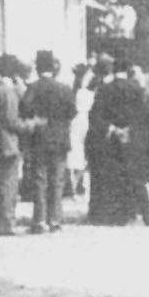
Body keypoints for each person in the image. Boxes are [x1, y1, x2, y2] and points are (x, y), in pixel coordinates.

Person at [0, 53, 45, 236]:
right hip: (8, 144)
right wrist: (32, 124)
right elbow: (12, 122)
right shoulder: (8, 93)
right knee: (9, 185)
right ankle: (6, 223)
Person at [20, 50, 77, 233]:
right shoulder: (65, 89)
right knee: (57, 180)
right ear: (53, 68)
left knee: (39, 179)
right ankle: (55, 219)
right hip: (60, 140)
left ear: (37, 68)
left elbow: (24, 111)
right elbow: (72, 112)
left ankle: (39, 220)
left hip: (39, 139)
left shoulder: (33, 88)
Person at [85, 54, 134, 224]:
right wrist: (130, 130)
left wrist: (113, 129)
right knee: (125, 175)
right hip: (130, 139)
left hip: (109, 139)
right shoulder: (136, 89)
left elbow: (94, 116)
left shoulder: (105, 89)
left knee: (107, 175)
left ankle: (104, 213)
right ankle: (126, 212)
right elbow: (146, 116)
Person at [122, 63, 149, 226]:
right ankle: (145, 215)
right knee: (139, 179)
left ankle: (139, 213)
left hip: (130, 139)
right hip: (143, 141)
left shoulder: (127, 94)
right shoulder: (145, 94)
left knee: (133, 179)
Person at [66, 62, 94, 198]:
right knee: (82, 154)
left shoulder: (72, 91)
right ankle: (75, 184)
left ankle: (73, 184)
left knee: (74, 153)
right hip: (84, 122)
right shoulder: (86, 93)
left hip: (74, 123)